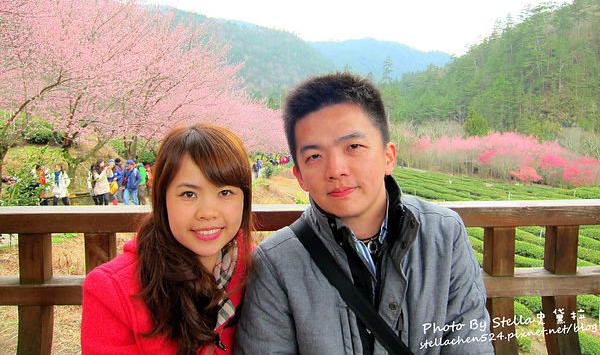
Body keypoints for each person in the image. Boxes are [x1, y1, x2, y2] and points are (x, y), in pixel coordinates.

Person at [235, 72, 493, 354]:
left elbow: (469, 342)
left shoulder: (444, 235)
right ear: (299, 176)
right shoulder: (276, 264)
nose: (336, 170)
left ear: (388, 157)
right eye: (314, 156)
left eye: (353, 147)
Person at [81, 124, 253, 354]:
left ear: (245, 199)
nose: (208, 212)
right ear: (162, 199)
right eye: (189, 194)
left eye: (225, 192)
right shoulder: (112, 291)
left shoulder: (258, 269)